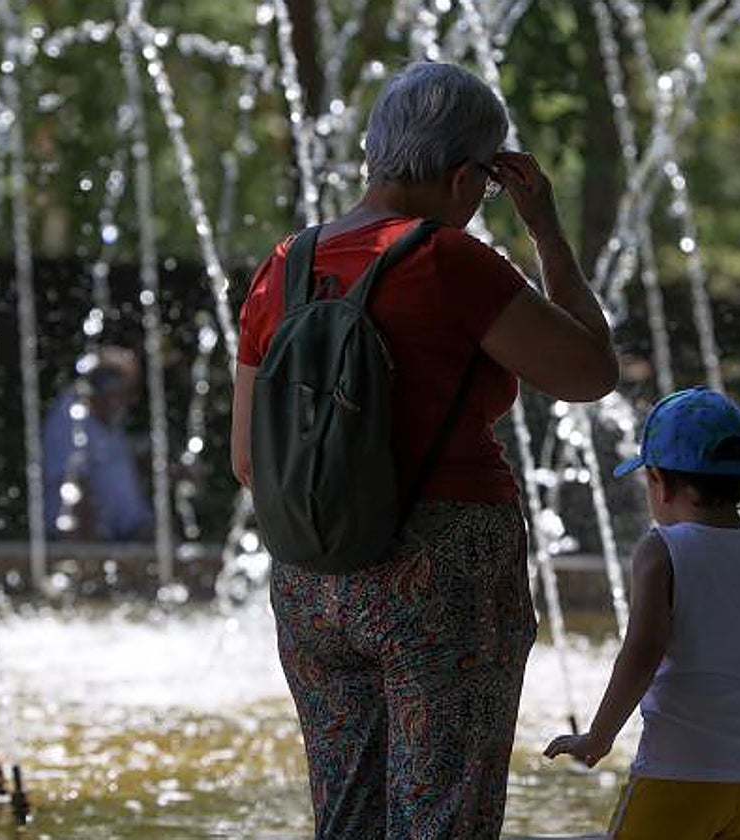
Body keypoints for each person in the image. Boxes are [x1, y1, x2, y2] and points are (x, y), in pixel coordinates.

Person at [230, 61, 618, 840]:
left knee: (348, 818)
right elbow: (589, 373)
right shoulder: (448, 260)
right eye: (484, 183)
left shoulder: (285, 266)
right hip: (443, 572)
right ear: (463, 173)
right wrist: (545, 230)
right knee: (443, 816)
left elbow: (247, 457)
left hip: (312, 578)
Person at [545, 387, 740, 840]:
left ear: (661, 482)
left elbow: (642, 652)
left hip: (677, 771)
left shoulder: (663, 550)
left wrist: (599, 736)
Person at [42, 345, 154, 542]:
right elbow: (75, 488)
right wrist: (92, 554)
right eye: (126, 392)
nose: (129, 401)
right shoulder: (70, 420)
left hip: (126, 536)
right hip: (87, 541)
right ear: (107, 386)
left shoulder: (106, 417)